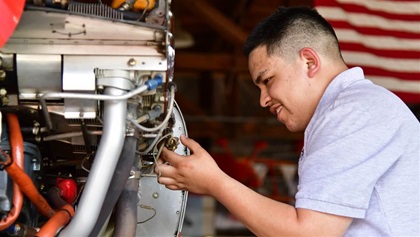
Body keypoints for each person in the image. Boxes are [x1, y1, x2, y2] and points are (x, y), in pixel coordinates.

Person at [156, 6, 420, 236]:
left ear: (309, 61)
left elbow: (308, 233)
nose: (262, 100)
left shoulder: (351, 112)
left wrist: (215, 182)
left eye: (268, 80)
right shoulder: (354, 108)